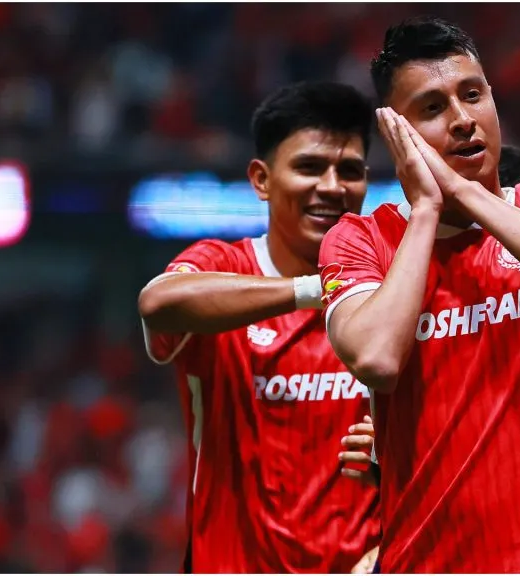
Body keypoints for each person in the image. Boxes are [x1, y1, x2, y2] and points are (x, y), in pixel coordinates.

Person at [319, 16, 520, 574]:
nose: (463, 120)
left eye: (472, 95)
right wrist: (426, 212)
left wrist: (466, 193)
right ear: (398, 133)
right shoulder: (360, 240)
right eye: (433, 108)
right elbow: (376, 357)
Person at [137, 81, 380, 573]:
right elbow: (158, 302)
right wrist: (316, 289)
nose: (332, 187)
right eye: (310, 167)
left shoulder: (388, 279)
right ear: (261, 179)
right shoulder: (222, 263)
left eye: (348, 171)